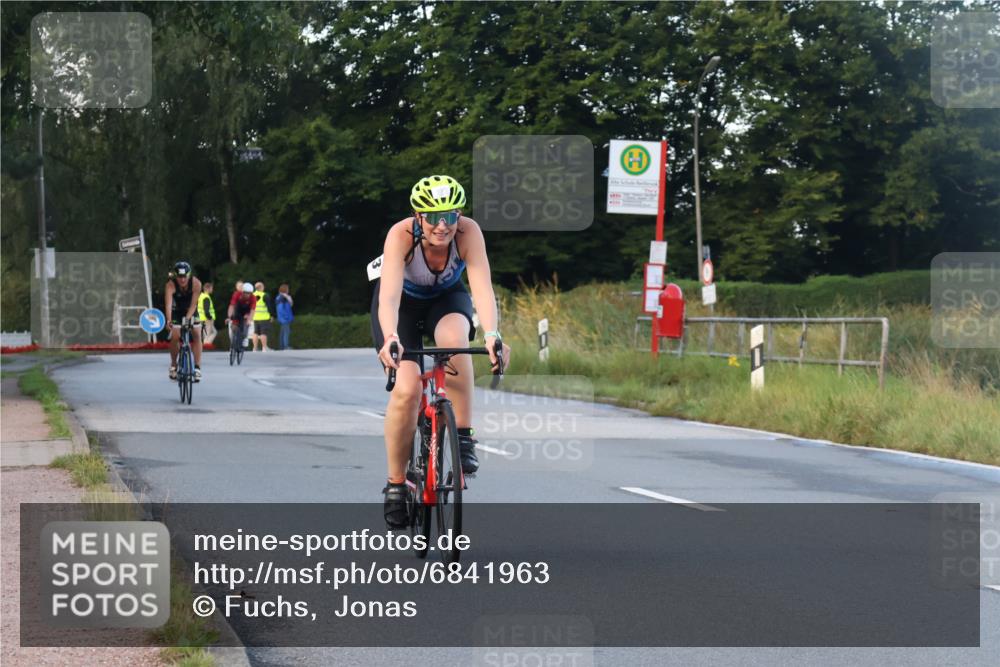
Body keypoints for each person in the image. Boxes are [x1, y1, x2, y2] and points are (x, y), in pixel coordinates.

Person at [371, 174, 510, 528]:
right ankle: (396, 485)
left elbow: (482, 287)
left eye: (450, 215)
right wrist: (391, 337)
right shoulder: (401, 235)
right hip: (401, 307)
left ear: (458, 215)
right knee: (407, 389)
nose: (442, 225)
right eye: (433, 217)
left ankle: (462, 436)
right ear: (418, 216)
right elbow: (389, 297)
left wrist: (492, 334)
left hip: (446, 299)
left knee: (456, 342)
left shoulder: (468, 232)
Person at [164, 261, 203, 382]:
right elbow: (168, 305)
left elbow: (193, 305)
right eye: (180, 277)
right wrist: (169, 320)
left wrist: (187, 320)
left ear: (189, 275)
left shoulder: (196, 283)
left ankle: (197, 367)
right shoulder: (170, 285)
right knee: (175, 336)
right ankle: (173, 365)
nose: (182, 279)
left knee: (197, 333)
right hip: (177, 310)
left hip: (191, 310)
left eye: (185, 276)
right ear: (176, 276)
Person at [227, 282, 257, 349]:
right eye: (246, 293)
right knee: (234, 324)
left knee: (246, 326)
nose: (248, 295)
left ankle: (244, 338)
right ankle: (234, 340)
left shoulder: (253, 298)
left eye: (249, 293)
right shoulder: (237, 294)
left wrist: (249, 319)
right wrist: (229, 316)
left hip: (247, 311)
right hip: (238, 309)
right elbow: (232, 306)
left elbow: (252, 310)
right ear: (242, 292)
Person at [251, 281, 275, 352]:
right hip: (263, 317)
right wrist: (272, 315)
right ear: (261, 287)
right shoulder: (264, 295)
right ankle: (264, 348)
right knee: (263, 332)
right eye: (263, 286)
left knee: (255, 332)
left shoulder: (252, 295)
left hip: (255, 317)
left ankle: (255, 348)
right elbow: (269, 307)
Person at [275, 284, 294, 350]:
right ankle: (286, 346)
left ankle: (282, 346)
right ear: (285, 289)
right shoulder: (283, 297)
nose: (288, 290)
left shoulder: (279, 297)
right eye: (287, 289)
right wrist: (286, 317)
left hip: (282, 318)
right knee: (286, 332)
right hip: (285, 318)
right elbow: (283, 308)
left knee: (282, 333)